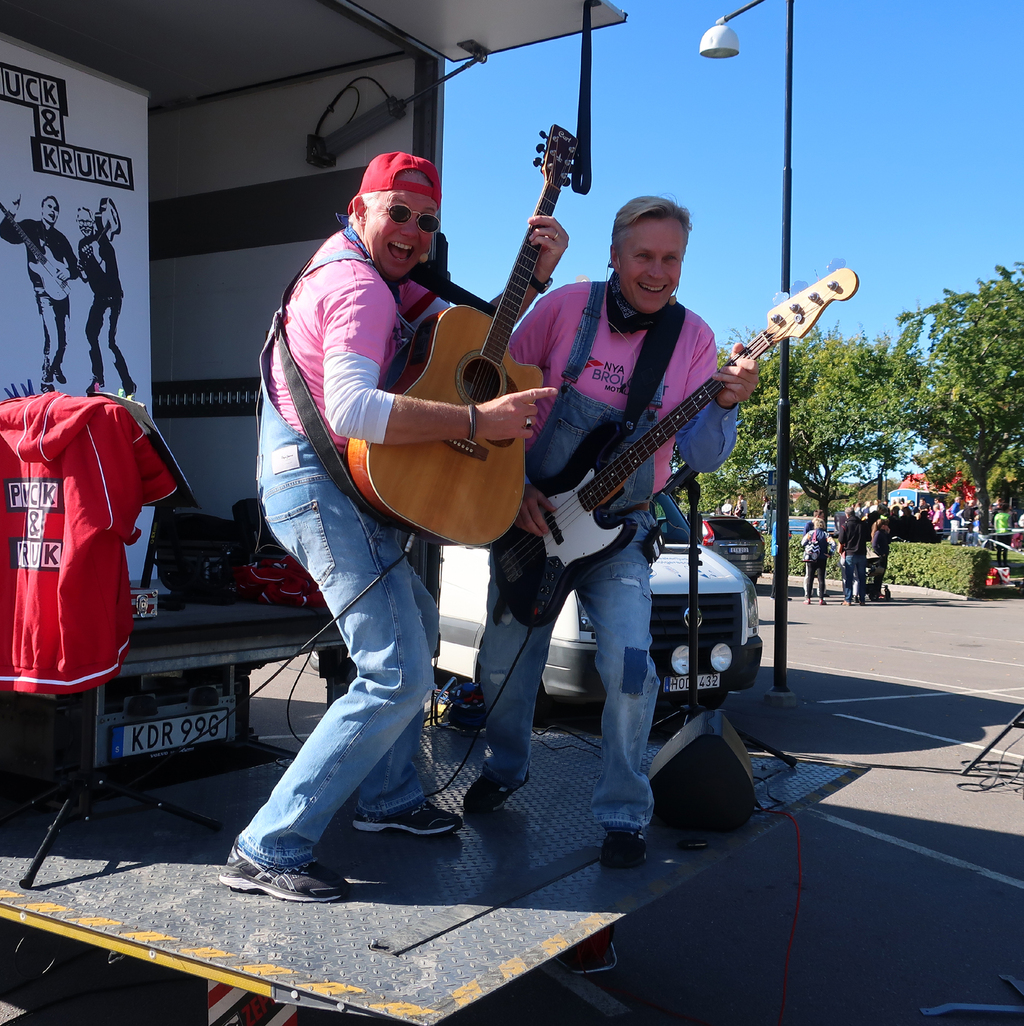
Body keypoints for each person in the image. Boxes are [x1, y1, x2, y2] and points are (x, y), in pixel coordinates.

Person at [218, 152, 567, 903]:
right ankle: (269, 846)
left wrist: (531, 280)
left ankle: (388, 797)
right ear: (359, 210)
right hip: (319, 489)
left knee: (421, 620)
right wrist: (476, 422)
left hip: (338, 488)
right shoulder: (357, 289)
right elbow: (351, 409)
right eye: (397, 213)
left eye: (426, 220)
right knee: (397, 672)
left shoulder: (376, 277)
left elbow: (471, 338)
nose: (411, 230)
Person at [460, 196, 759, 870]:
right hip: (531, 520)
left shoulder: (695, 339)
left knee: (630, 672)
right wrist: (515, 489)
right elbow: (490, 393)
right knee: (504, 667)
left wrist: (726, 404)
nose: (657, 270)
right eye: (644, 255)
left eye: (671, 258)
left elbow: (702, 454)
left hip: (621, 535)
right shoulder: (566, 308)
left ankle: (624, 813)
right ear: (615, 256)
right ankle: (506, 767)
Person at [0, 195, 79, 391]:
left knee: (65, 339)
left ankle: (56, 366)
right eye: (49, 207)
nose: (52, 211)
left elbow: (74, 266)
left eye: (56, 209)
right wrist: (13, 210)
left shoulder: (60, 238)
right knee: (51, 336)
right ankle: (46, 379)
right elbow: (6, 233)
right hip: (43, 291)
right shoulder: (30, 227)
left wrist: (68, 272)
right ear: (42, 209)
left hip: (61, 291)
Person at [77, 199, 137, 396]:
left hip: (112, 297)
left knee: (108, 341)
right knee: (90, 332)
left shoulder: (103, 244)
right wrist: (82, 269)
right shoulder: (83, 244)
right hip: (99, 297)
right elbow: (87, 277)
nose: (84, 225)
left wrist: (93, 257)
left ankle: (127, 383)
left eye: (87, 221)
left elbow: (105, 273)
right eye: (81, 222)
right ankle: (98, 378)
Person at [838, 506, 867, 605]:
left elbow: (841, 540)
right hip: (862, 553)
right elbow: (868, 537)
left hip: (850, 553)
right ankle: (862, 599)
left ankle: (848, 599)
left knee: (849, 577)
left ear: (847, 515)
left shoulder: (845, 525)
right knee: (862, 577)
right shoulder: (862, 525)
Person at [802, 516, 829, 604]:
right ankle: (821, 599)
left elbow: (803, 542)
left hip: (811, 558)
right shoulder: (826, 534)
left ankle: (808, 598)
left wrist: (808, 545)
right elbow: (833, 544)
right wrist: (830, 553)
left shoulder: (810, 533)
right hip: (822, 558)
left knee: (810, 578)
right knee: (821, 579)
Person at [993, 502, 1011, 567]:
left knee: (999, 550)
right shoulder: (1008, 516)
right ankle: (1005, 563)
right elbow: (1009, 525)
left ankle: (999, 563)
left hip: (999, 533)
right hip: (1006, 533)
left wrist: (996, 531)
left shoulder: (997, 515)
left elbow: (995, 525)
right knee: (1005, 549)